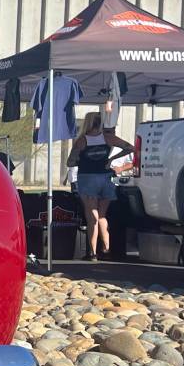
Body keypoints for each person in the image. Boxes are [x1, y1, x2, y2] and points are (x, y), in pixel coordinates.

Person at [66, 112, 133, 261]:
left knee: (92, 217)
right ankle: (107, 248)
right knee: (102, 215)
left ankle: (93, 252)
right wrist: (111, 160)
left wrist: (82, 161)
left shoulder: (81, 141)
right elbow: (130, 148)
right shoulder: (108, 138)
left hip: (88, 178)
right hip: (105, 178)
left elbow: (70, 162)